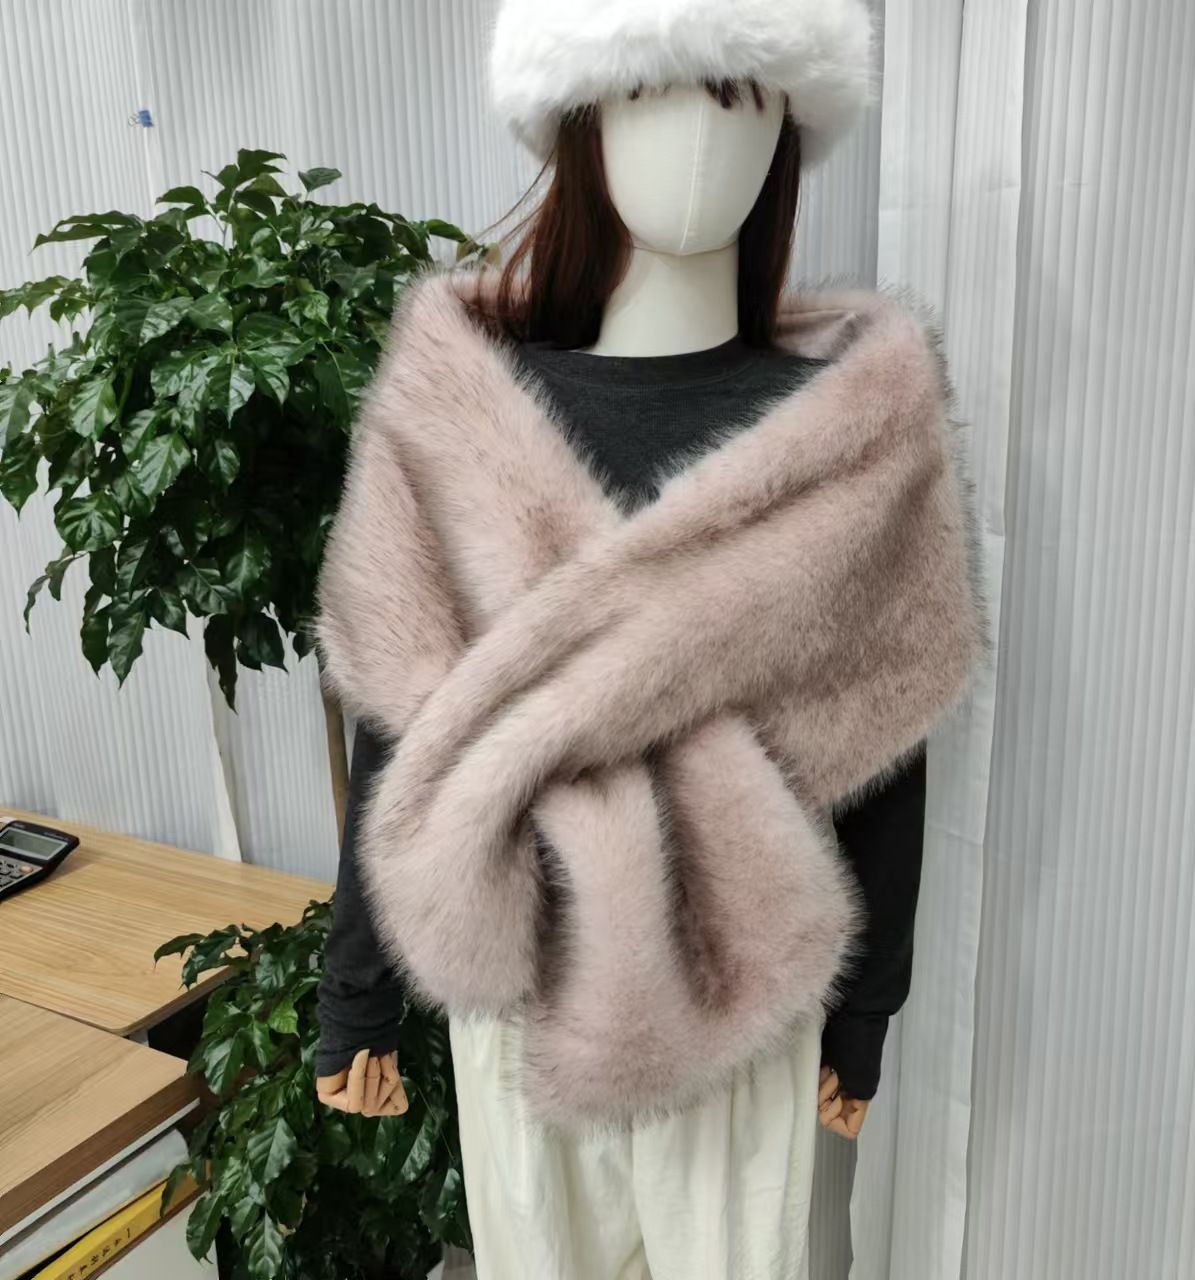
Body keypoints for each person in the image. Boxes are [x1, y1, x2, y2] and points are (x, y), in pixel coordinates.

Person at [312, 3, 984, 1276]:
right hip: (519, 982)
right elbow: (407, 726)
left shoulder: (854, 429)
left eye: (741, 100)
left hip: (741, 984)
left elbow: (887, 735)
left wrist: (865, 1012)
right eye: (647, 94)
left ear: (788, 128)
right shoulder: (459, 407)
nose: (697, 144)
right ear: (580, 120)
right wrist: (357, 993)